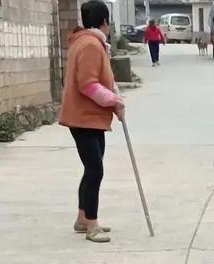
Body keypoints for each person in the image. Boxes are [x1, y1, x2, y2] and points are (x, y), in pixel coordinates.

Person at [59, 0, 124, 243]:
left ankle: (83, 218)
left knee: (91, 168)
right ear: (105, 21)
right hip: (83, 117)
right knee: (95, 169)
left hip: (91, 118)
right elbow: (88, 84)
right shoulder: (89, 45)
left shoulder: (89, 42)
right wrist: (114, 101)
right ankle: (92, 225)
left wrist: (113, 99)